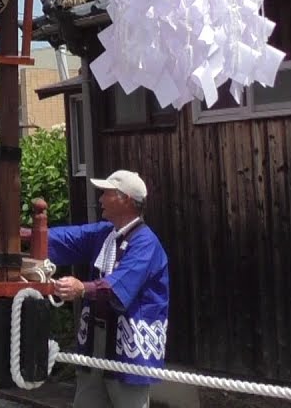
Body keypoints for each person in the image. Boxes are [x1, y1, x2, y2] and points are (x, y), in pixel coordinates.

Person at [48, 170, 169, 408]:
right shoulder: (105, 234)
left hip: (129, 343)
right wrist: (22, 236)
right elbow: (65, 239)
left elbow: (118, 288)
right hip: (95, 338)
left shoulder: (146, 243)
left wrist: (81, 288)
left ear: (126, 199)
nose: (100, 199)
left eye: (106, 193)